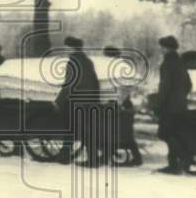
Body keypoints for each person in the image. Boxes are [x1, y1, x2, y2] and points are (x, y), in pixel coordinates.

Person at [55, 36, 101, 165]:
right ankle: (65, 156)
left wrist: (58, 101)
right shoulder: (88, 61)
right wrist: (95, 100)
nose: (65, 50)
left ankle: (90, 160)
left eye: (66, 47)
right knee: (85, 129)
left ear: (70, 48)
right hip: (89, 101)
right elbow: (95, 81)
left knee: (72, 128)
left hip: (77, 101)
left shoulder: (73, 62)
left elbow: (69, 84)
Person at [156, 35, 192, 174]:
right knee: (175, 134)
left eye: (162, 48)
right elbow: (189, 84)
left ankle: (184, 156)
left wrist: (159, 104)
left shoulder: (167, 64)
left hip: (169, 107)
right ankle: (174, 165)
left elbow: (165, 87)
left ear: (167, 48)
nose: (161, 50)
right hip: (181, 106)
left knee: (164, 133)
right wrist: (181, 96)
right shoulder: (181, 63)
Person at [104, 46, 143, 166]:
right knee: (116, 131)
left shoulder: (119, 68)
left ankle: (137, 158)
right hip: (120, 104)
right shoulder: (118, 67)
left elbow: (126, 88)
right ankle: (108, 154)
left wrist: (119, 102)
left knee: (125, 133)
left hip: (122, 105)